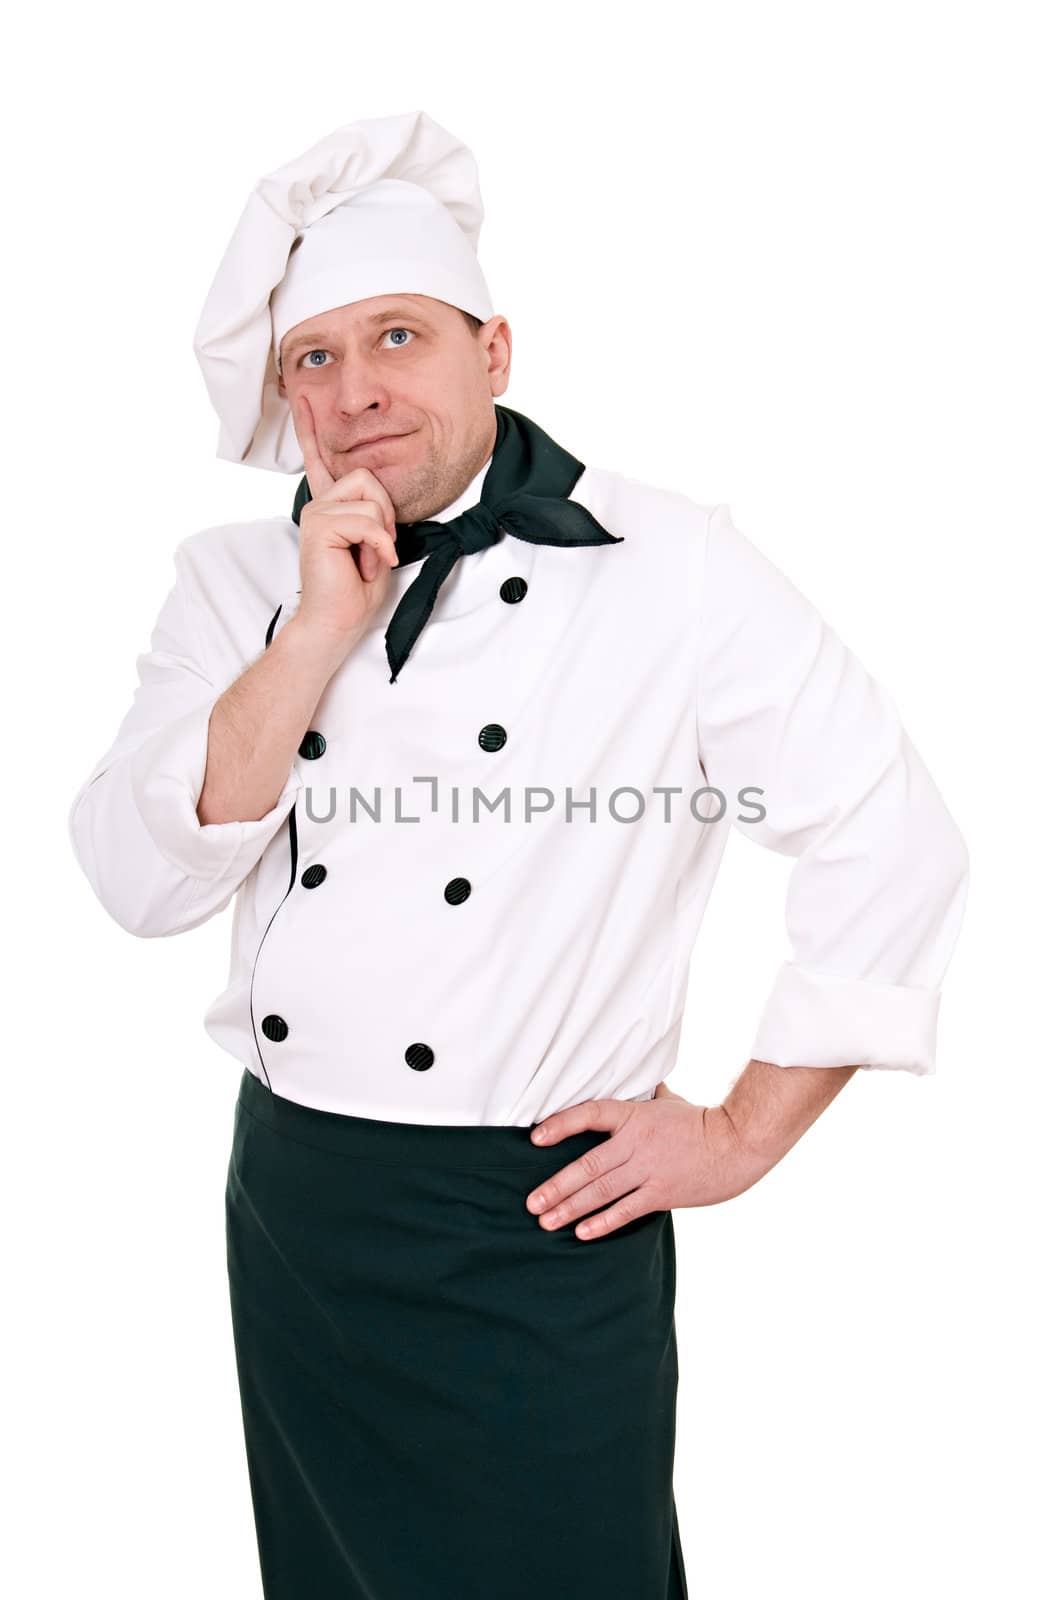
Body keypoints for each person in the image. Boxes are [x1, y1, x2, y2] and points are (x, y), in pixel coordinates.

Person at [66, 110, 970, 1600]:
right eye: (315, 359)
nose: (357, 394)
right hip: (302, 1205)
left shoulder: (669, 565)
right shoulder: (235, 583)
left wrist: (743, 1134)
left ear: (495, 351)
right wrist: (316, 632)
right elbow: (137, 882)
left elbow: (893, 829)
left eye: (400, 337)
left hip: (538, 1216)